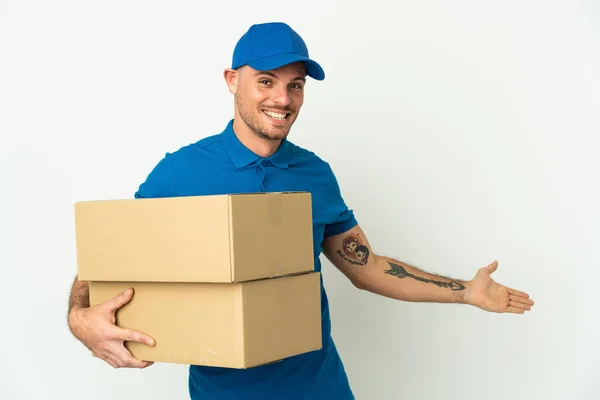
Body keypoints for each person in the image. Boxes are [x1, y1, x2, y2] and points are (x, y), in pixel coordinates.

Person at [67, 21, 535, 400]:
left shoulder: (316, 175)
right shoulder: (179, 173)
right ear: (233, 81)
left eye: (295, 85)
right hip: (224, 393)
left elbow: (366, 266)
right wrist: (79, 318)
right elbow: (109, 259)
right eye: (266, 81)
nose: (282, 99)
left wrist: (465, 292)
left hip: (320, 387)